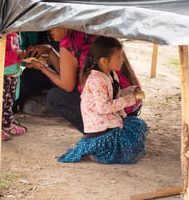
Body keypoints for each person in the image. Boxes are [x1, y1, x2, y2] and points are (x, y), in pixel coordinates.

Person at [57, 36, 149, 164]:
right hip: (101, 131)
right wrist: (130, 99)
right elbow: (104, 107)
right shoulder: (96, 80)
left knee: (137, 125)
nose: (122, 60)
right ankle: (96, 153)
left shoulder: (111, 74)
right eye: (118, 57)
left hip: (110, 123)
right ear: (104, 61)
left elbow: (115, 94)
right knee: (124, 151)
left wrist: (131, 90)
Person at [25, 28, 97, 132]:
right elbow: (66, 70)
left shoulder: (68, 41)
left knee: (55, 97)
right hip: (107, 92)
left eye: (53, 27)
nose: (49, 31)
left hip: (96, 99)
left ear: (65, 25)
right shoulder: (84, 33)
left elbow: (67, 85)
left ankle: (93, 133)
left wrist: (42, 67)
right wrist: (49, 50)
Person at [0, 34, 27, 140]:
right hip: (1, 75)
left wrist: (22, 54)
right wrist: (16, 53)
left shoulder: (13, 32)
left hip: (13, 73)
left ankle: (7, 124)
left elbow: (15, 49)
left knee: (9, 103)